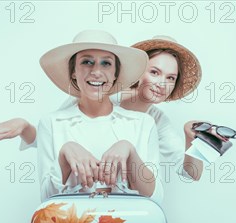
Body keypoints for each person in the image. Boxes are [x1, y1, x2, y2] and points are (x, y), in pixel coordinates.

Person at [0, 36, 222, 182]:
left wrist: (193, 141)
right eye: (154, 72)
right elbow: (51, 137)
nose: (162, 83)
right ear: (136, 72)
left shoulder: (156, 121)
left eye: (170, 78)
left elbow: (190, 174)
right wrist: (24, 127)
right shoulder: (99, 94)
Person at [33, 29, 162, 203]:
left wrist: (130, 151)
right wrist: (65, 154)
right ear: (73, 71)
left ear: (116, 73)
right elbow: (46, 201)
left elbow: (156, 199)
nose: (96, 71)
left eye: (106, 63)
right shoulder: (51, 123)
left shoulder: (142, 124)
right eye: (87, 62)